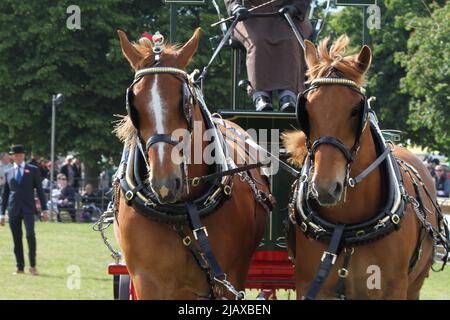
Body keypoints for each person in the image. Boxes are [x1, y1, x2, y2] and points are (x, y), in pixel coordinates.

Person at [225, 0, 312, 112]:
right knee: (258, 41)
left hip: (289, 15)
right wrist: (235, 7)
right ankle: (260, 96)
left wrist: (296, 8)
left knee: (289, 40)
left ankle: (288, 95)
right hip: (249, 16)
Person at [0, 145, 48, 275]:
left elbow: (40, 190)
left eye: (20, 155)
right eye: (16, 155)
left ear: (24, 156)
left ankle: (33, 266)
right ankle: (19, 267)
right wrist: (1, 214)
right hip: (13, 209)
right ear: (12, 157)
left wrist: (44, 209)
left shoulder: (33, 170)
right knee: (16, 238)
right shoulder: (8, 172)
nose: (18, 157)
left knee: (30, 235)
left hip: (28, 208)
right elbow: (5, 195)